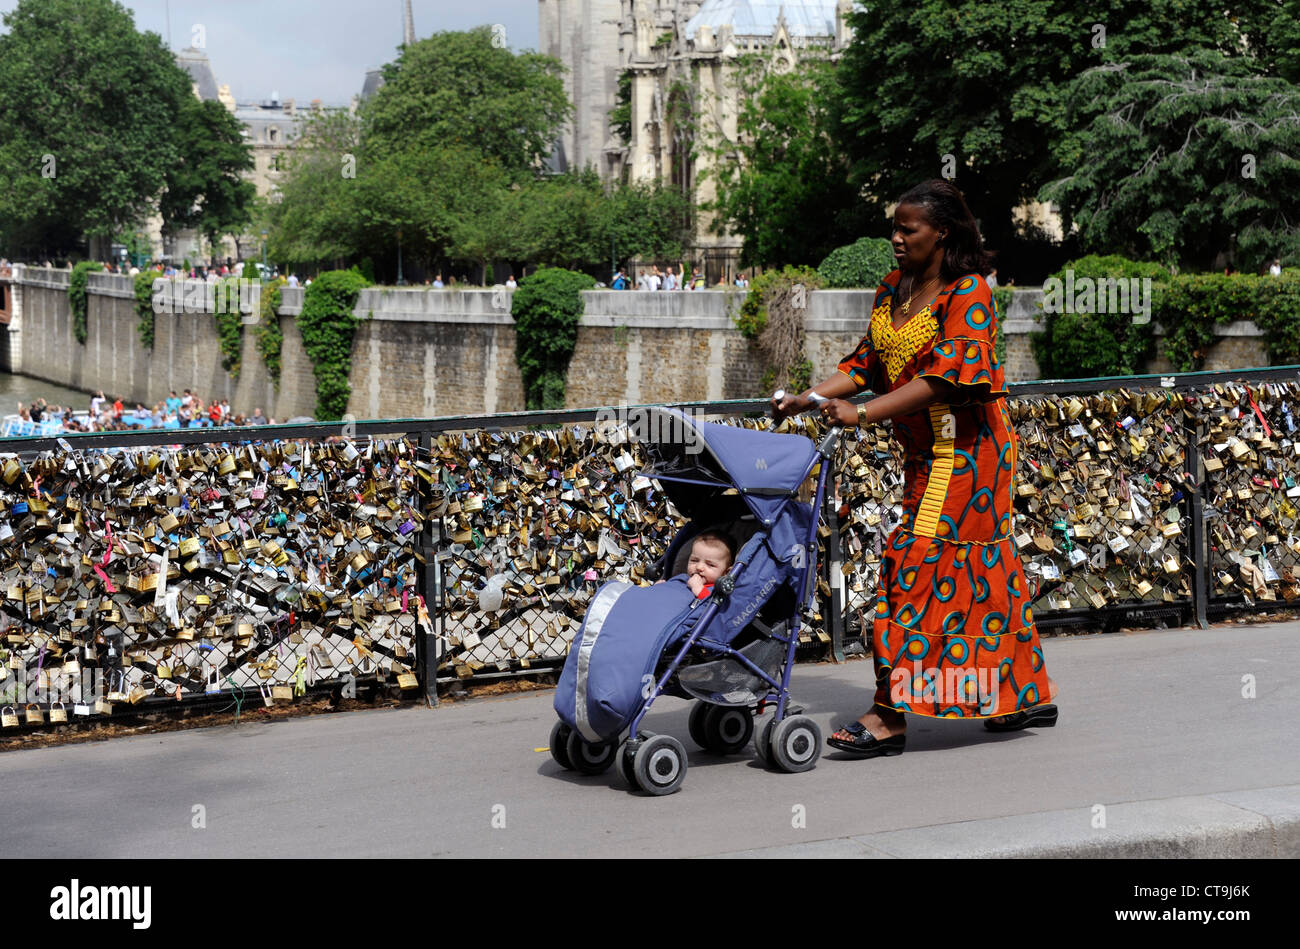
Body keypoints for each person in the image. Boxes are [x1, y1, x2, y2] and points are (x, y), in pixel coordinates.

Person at [772, 179, 1057, 759]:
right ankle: (1016, 693)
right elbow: (866, 362)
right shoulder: (893, 288)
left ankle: (890, 714)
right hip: (926, 458)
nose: (896, 238)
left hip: (969, 456)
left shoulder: (968, 292)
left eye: (909, 229)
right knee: (985, 574)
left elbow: (948, 378)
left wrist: (862, 414)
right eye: (894, 228)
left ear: (942, 233)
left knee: (913, 569)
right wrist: (811, 396)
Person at [684, 531, 735, 599]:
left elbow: (718, 608)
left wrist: (699, 589)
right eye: (694, 560)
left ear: (726, 572)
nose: (699, 567)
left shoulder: (720, 592)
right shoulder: (682, 578)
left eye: (710, 565)